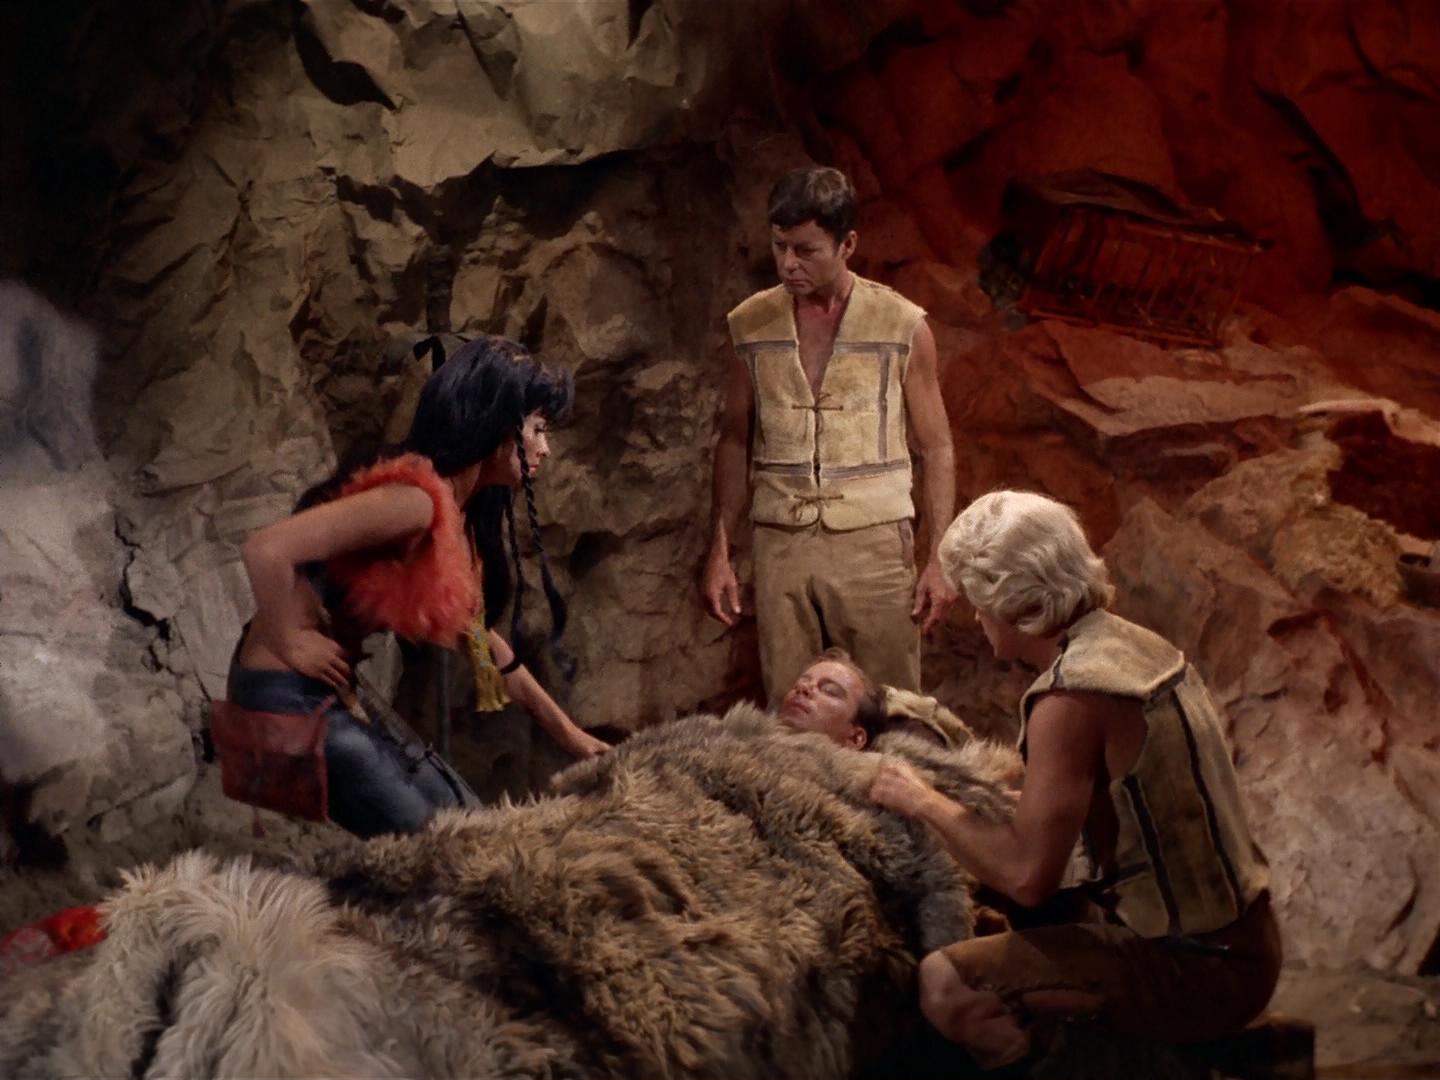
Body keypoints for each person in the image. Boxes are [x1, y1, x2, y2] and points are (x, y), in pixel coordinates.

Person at [867, 491, 1280, 1068]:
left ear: (1010, 598)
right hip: (1245, 938)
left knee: (946, 983)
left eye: (979, 601)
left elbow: (1027, 878)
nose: (977, 618)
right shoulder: (1130, 643)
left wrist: (921, 800)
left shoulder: (1071, 696)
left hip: (1199, 966)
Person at [227, 335, 606, 840]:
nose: (545, 447)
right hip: (282, 698)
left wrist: (573, 736)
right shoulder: (414, 501)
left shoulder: (460, 511)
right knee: (451, 849)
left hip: (330, 692)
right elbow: (266, 549)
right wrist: (291, 640)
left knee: (472, 822)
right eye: (536, 429)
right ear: (497, 422)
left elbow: (480, 643)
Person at [703, 166, 957, 706]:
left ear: (848, 245)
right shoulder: (750, 324)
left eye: (806, 250)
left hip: (873, 543)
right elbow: (734, 439)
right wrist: (720, 549)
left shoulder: (901, 325)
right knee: (791, 704)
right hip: (782, 541)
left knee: (892, 703)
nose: (788, 264)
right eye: (779, 247)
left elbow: (937, 446)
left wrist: (939, 557)